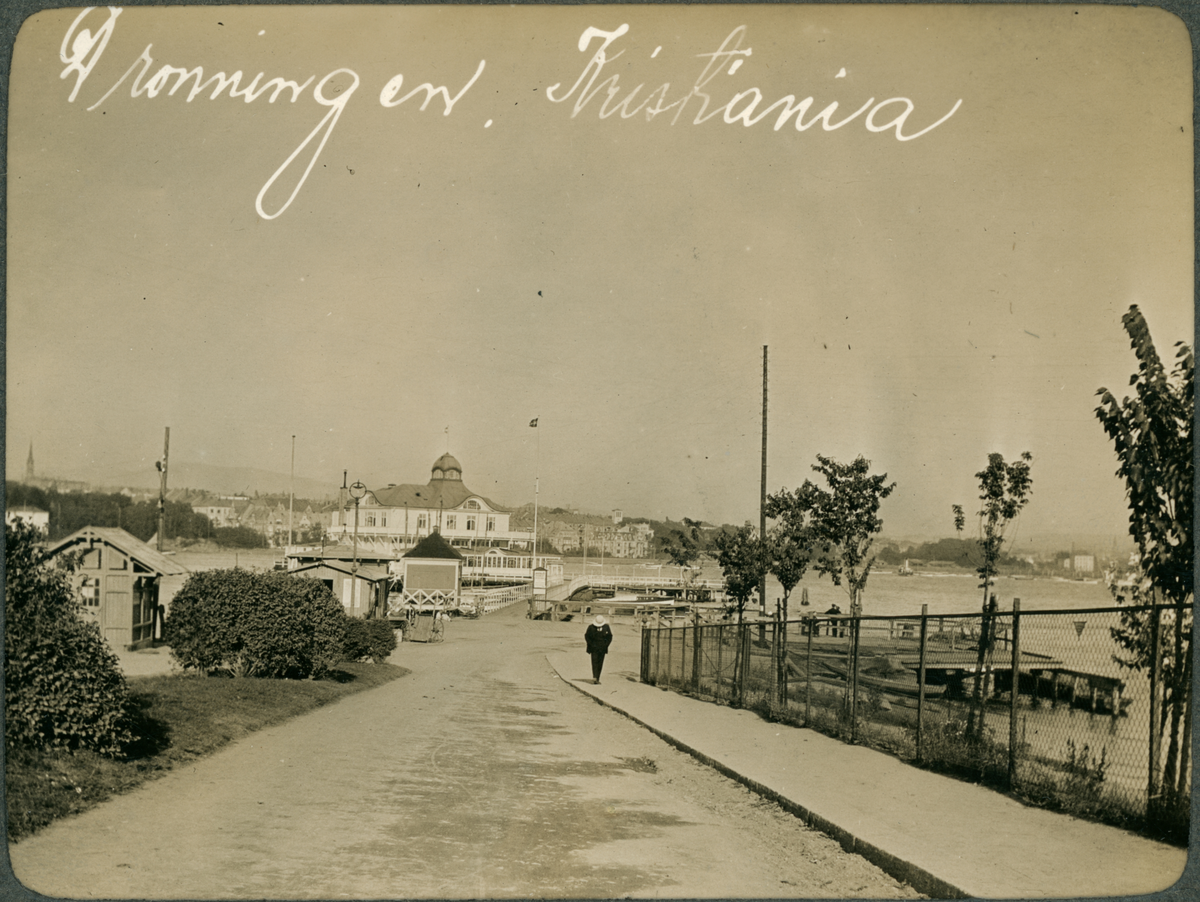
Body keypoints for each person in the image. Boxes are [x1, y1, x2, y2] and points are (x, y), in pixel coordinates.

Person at [585, 614, 613, 684]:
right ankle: (595, 676)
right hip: (594, 648)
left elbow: (609, 637)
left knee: (600, 663)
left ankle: (597, 678)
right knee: (594, 662)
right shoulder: (591, 627)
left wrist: (606, 645)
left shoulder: (606, 627)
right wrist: (591, 644)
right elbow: (587, 636)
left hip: (602, 648)